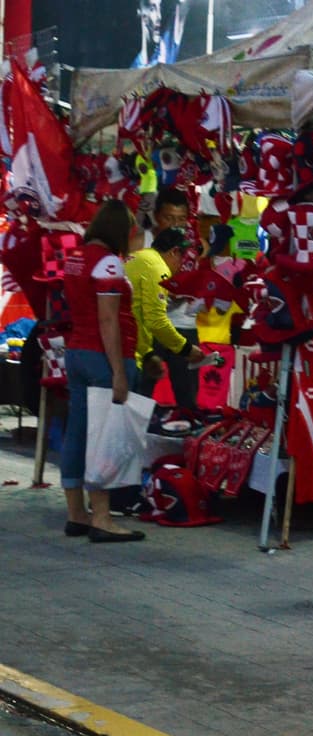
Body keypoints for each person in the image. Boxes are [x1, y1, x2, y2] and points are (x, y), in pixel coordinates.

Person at [61, 199, 146, 543]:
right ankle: (102, 518)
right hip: (103, 357)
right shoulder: (109, 263)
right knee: (105, 439)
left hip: (77, 352)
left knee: (77, 434)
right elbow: (108, 318)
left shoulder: (76, 258)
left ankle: (76, 514)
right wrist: (118, 373)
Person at [128, 226, 205, 407]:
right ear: (174, 252)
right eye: (181, 259)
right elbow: (156, 321)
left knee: (134, 402)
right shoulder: (156, 269)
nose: (180, 266)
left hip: (130, 336)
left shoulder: (141, 257)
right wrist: (186, 349)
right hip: (133, 340)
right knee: (136, 403)